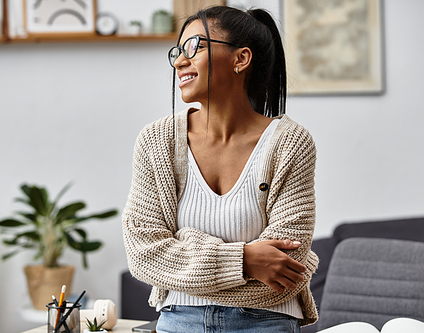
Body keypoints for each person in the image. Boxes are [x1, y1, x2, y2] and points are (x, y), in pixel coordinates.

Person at [122, 6, 318, 333]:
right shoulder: (157, 142)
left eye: (194, 48)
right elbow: (144, 253)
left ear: (240, 59)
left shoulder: (290, 143)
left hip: (266, 321)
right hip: (179, 321)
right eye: (177, 52)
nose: (179, 61)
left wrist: (183, 247)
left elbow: (286, 269)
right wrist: (245, 260)